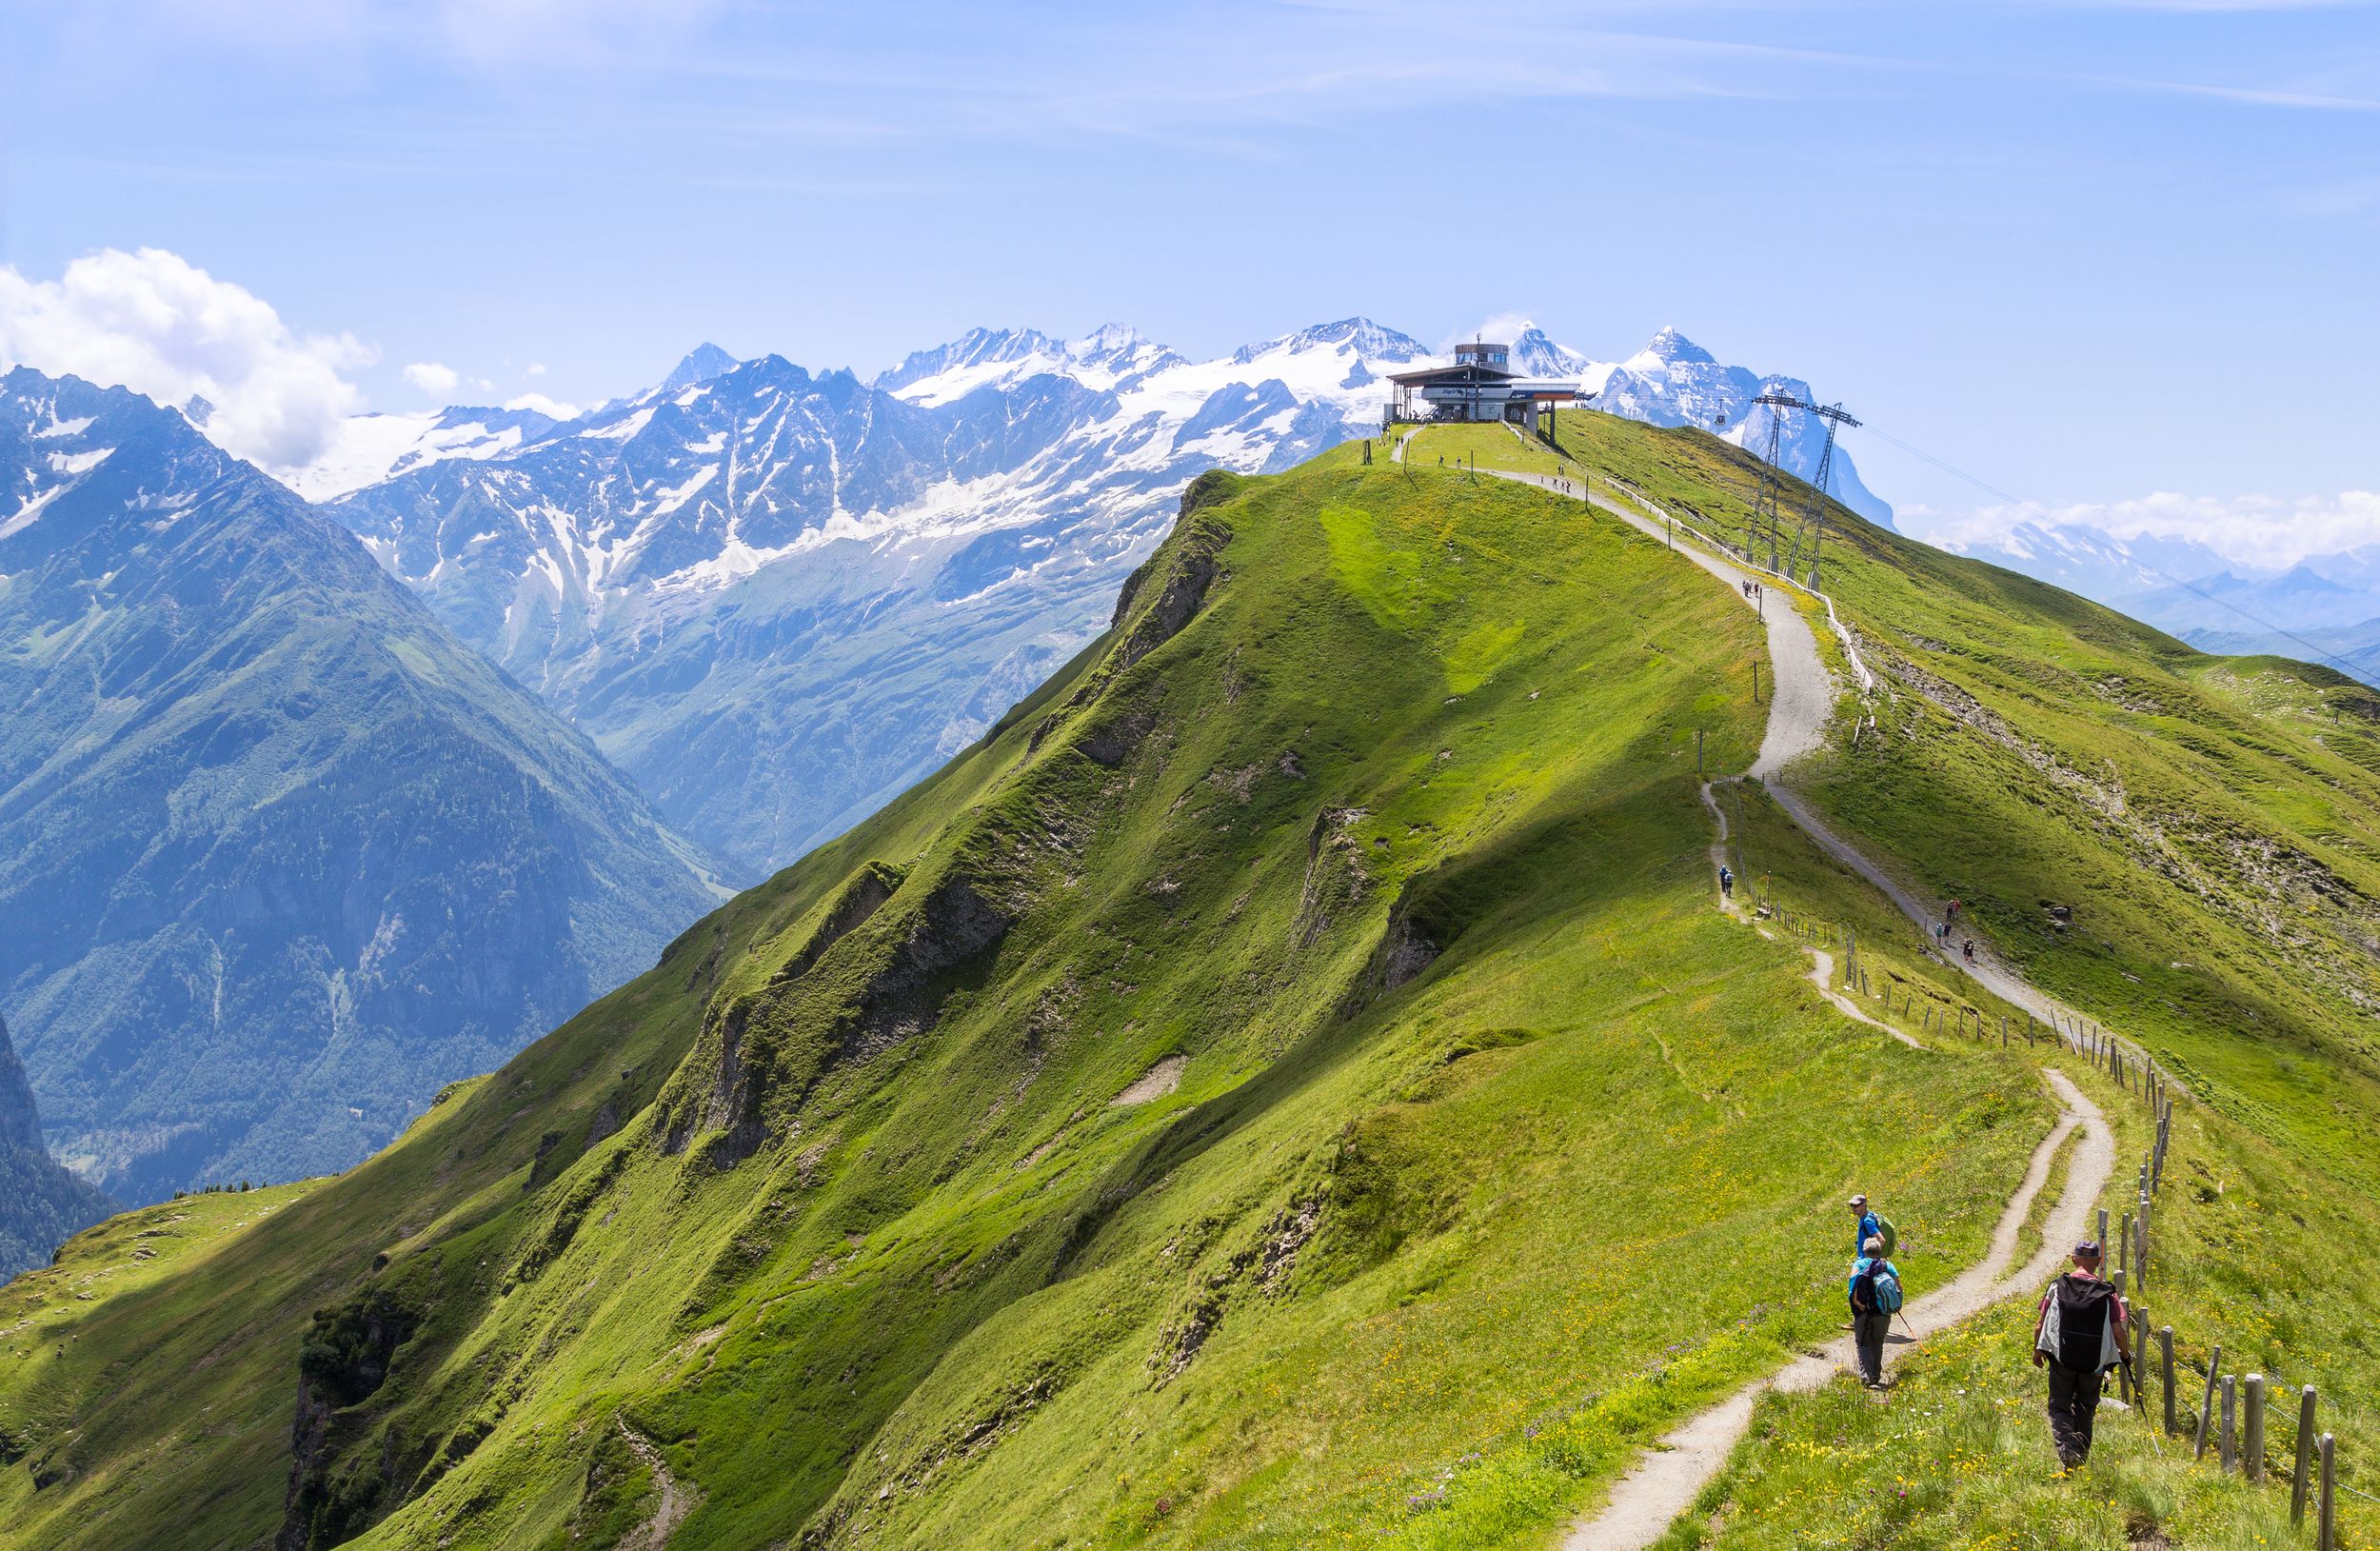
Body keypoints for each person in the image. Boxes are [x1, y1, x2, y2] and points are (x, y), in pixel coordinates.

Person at [2033, 1240, 2132, 1469]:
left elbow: (2040, 1325)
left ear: (2073, 1258)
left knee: (2060, 1406)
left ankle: (2067, 1450)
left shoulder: (2058, 1287)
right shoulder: (2108, 1293)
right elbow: (2119, 1331)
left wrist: (2037, 1351)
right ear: (2098, 1262)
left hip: (2061, 1358)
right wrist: (2125, 1355)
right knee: (2086, 1408)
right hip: (2094, 1364)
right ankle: (2079, 1460)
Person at [1849, 1235, 1900, 1386]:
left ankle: (1866, 1377)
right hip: (1883, 1312)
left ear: (1865, 1251)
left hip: (1863, 1311)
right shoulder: (1887, 1265)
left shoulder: (1859, 1264)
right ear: (1879, 1251)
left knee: (1863, 1343)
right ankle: (1876, 1376)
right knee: (1877, 1343)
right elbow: (1898, 1287)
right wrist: (1895, 1304)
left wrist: (1856, 1302)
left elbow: (1852, 1283)